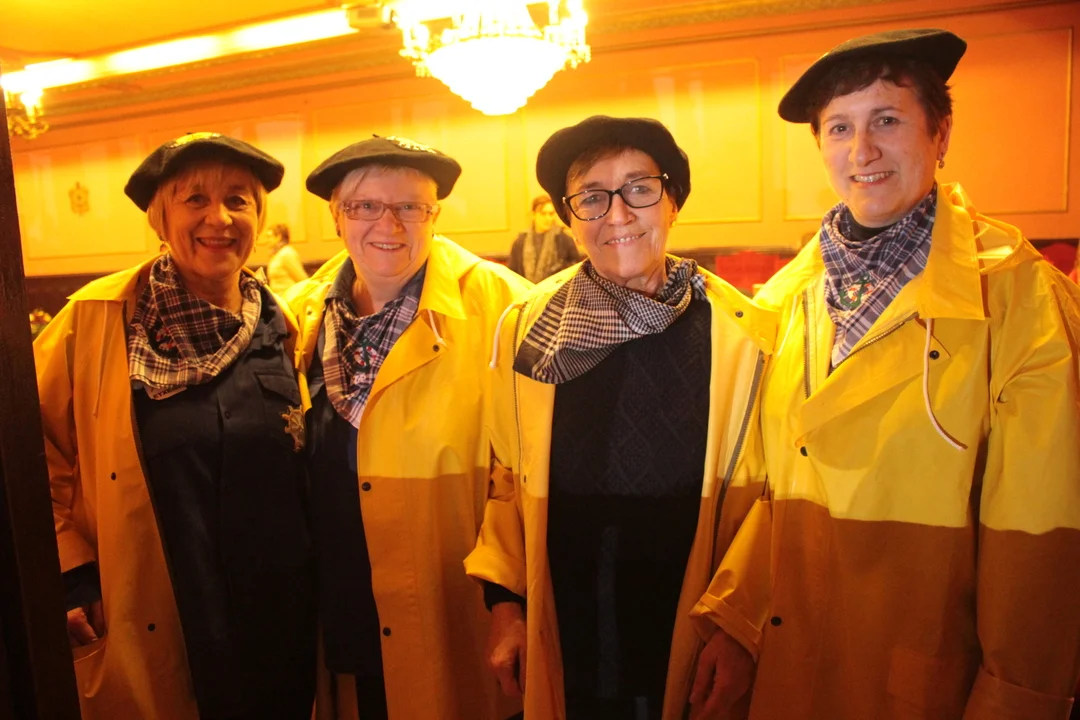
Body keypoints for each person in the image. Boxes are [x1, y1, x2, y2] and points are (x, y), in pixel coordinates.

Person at [696, 29, 1080, 719]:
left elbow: (1040, 545)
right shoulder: (789, 297)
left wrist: (1016, 702)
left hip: (925, 682)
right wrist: (737, 621)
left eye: (887, 121)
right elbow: (782, 490)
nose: (862, 151)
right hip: (788, 666)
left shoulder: (1021, 300)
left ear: (941, 133)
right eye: (840, 128)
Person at [464, 115, 776, 719]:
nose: (618, 214)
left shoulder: (745, 335)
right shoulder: (528, 328)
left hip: (690, 626)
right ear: (569, 218)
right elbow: (506, 477)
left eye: (639, 188)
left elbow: (768, 498)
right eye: (591, 197)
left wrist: (739, 625)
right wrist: (506, 604)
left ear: (673, 201)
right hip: (568, 623)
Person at [35, 132, 316, 719]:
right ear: (161, 219)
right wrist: (68, 573)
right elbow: (28, 451)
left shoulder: (283, 324)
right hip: (154, 612)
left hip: (278, 622)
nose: (220, 218)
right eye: (195, 200)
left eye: (238, 200)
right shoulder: (95, 320)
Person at [287, 135, 530, 719]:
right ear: (337, 217)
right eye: (365, 206)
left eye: (409, 207)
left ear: (434, 215)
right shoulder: (299, 314)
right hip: (343, 605)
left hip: (459, 608)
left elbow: (527, 470)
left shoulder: (506, 308)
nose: (388, 224)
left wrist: (511, 599)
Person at [507, 194, 582, 282]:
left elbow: (574, 270)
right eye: (543, 214)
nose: (548, 218)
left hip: (556, 289)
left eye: (551, 214)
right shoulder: (520, 241)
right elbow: (512, 273)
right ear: (533, 215)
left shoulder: (564, 239)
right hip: (526, 288)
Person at [266, 222, 309, 294]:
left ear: (278, 237)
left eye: (269, 236)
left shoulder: (287, 253)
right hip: (280, 298)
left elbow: (302, 279)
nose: (267, 240)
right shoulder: (277, 254)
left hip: (289, 297)